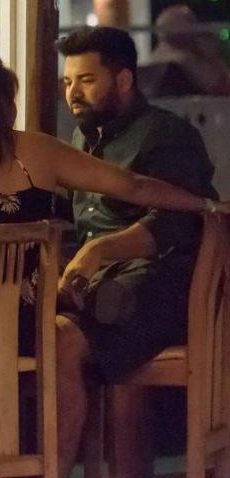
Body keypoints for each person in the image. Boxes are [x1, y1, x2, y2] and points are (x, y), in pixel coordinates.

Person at [0, 48, 222, 477]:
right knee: (61, 342)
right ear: (3, 103)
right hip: (20, 320)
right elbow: (134, 186)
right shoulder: (35, 152)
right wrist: (203, 202)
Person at [55, 26, 220, 476]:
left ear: (124, 80)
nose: (74, 93)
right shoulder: (82, 139)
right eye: (68, 82)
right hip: (103, 284)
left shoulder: (166, 134)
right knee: (40, 325)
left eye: (87, 80)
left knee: (91, 324)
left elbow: (179, 223)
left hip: (162, 285)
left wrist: (100, 252)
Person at [150, 4, 230, 96]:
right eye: (191, 22)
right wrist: (211, 58)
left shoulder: (156, 58)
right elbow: (221, 87)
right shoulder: (182, 59)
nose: (197, 30)